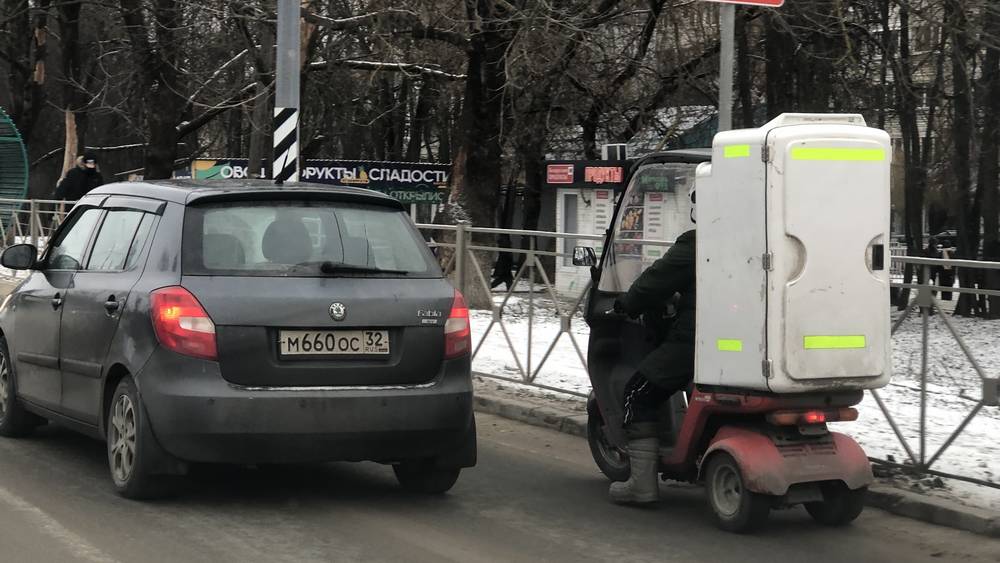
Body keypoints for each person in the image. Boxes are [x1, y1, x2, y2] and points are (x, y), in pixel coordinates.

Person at [608, 189, 697, 505]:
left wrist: (628, 304)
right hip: (750, 345)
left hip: (695, 343)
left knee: (637, 392)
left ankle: (642, 486)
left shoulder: (698, 244)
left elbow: (653, 282)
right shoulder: (758, 238)